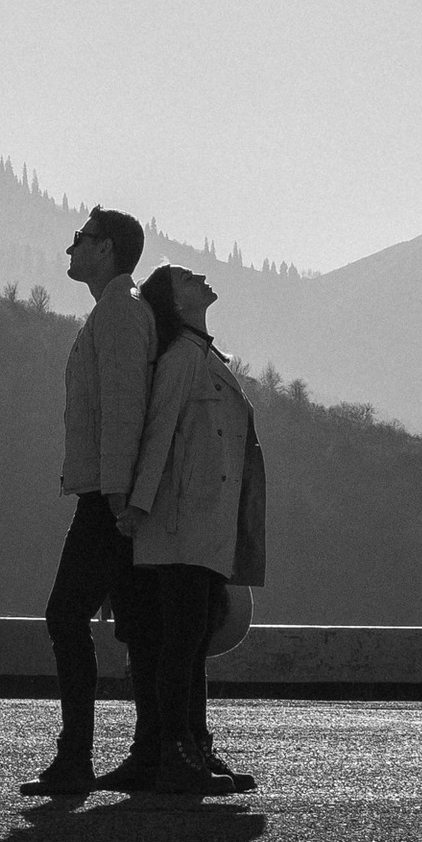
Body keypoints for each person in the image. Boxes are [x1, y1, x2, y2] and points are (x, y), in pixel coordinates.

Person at [20, 207, 162, 798]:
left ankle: (77, 756)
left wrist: (120, 499)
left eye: (80, 238)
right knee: (135, 627)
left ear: (106, 249)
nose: (71, 248)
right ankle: (152, 751)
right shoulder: (114, 311)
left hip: (108, 498)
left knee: (66, 616)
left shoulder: (119, 313)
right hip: (109, 493)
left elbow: (124, 409)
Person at [127, 263, 262, 796]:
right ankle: (177, 752)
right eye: (186, 279)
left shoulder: (207, 356)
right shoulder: (183, 357)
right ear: (176, 304)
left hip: (208, 522)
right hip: (181, 521)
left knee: (195, 637)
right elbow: (158, 431)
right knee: (182, 641)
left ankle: (195, 747)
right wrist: (138, 507)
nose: (200, 278)